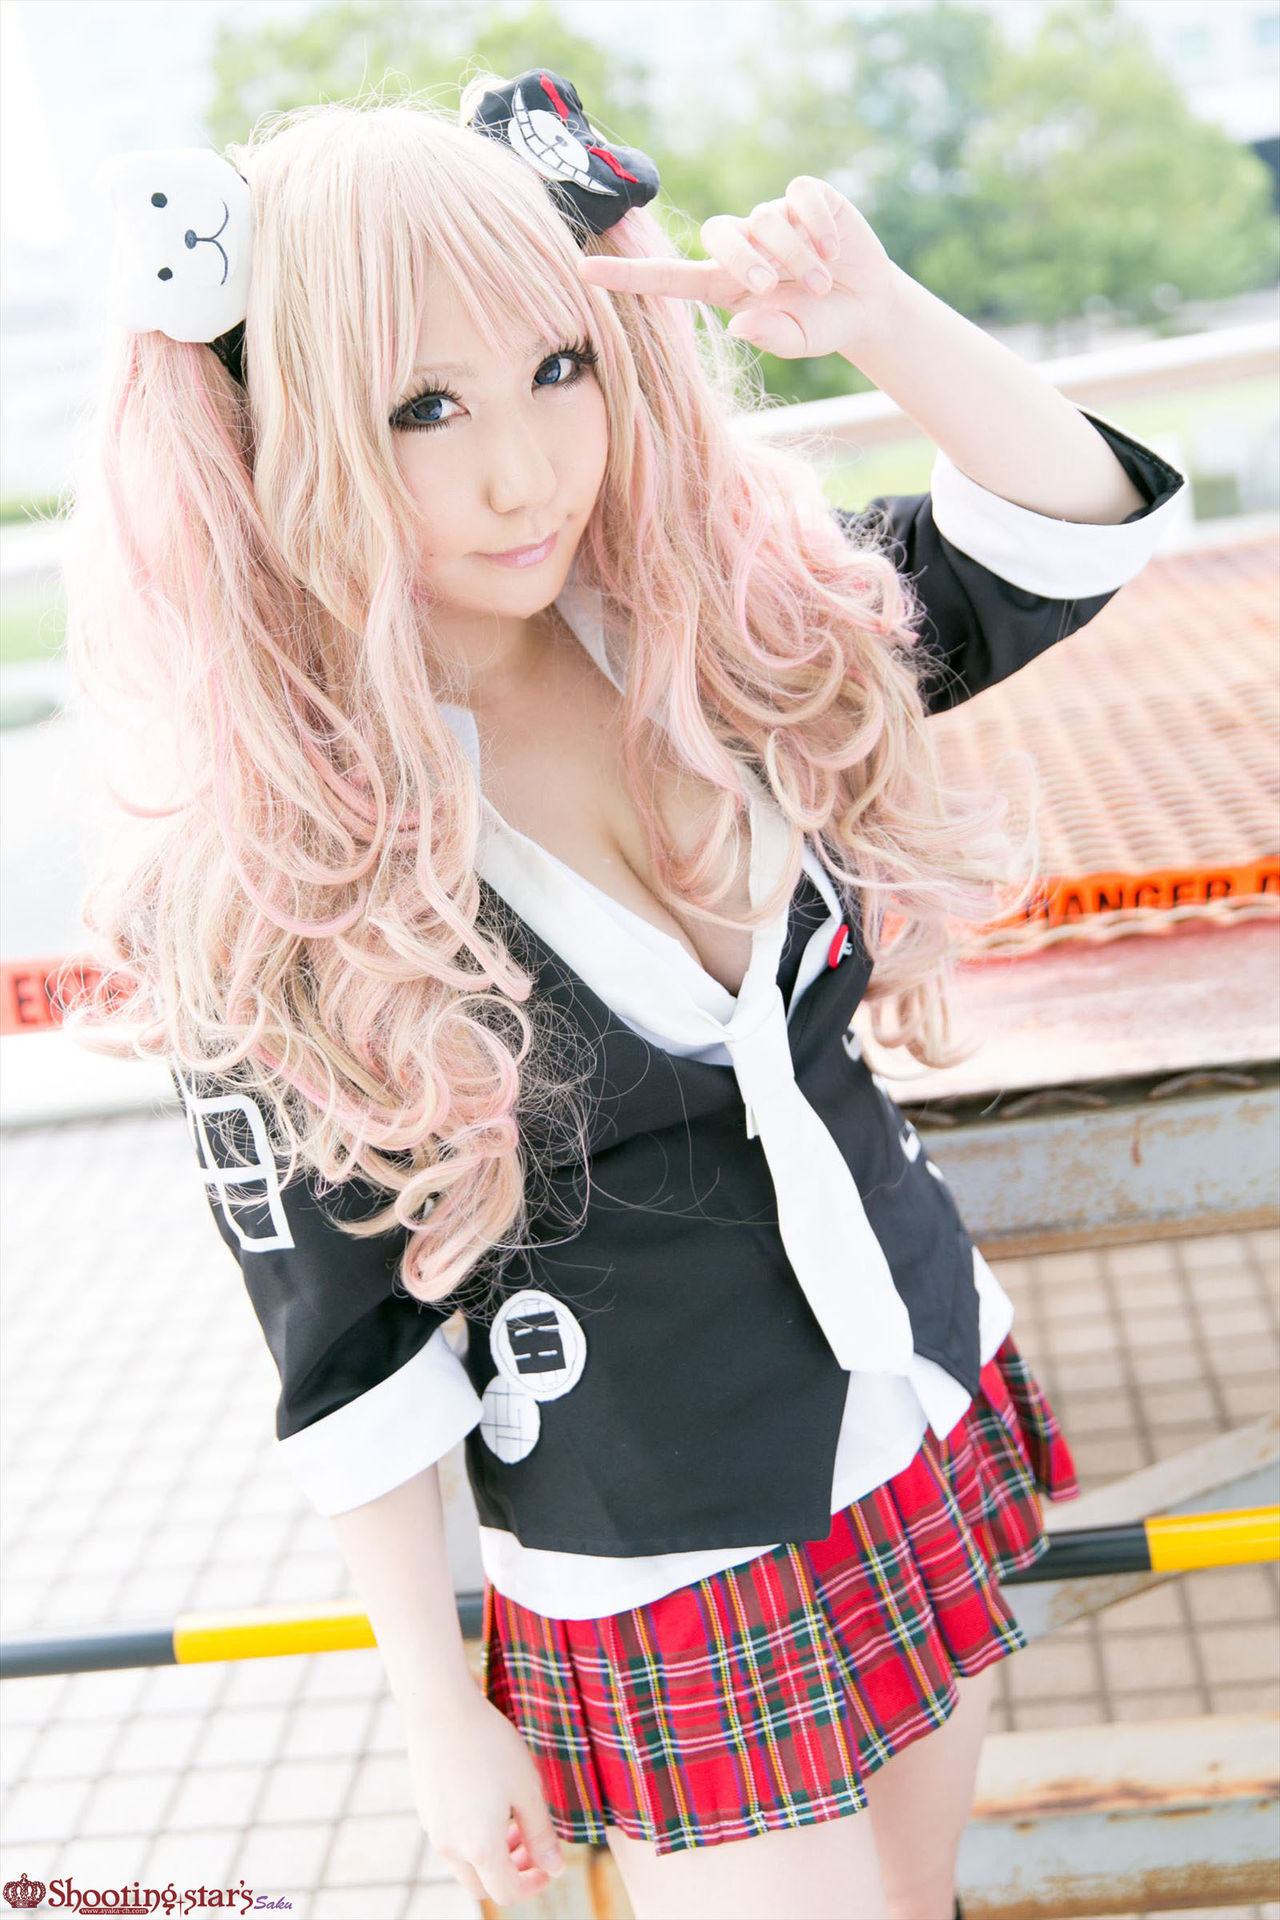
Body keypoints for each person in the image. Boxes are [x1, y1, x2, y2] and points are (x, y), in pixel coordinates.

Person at [64, 69, 1185, 1920]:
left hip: (918, 1396)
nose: (526, 471)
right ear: (287, 430)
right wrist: (436, 1708)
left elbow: (1070, 532)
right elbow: (338, 1339)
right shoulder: (277, 869)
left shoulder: (725, 625)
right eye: (425, 406)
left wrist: (877, 313)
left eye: (557, 368)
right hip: (661, 1542)